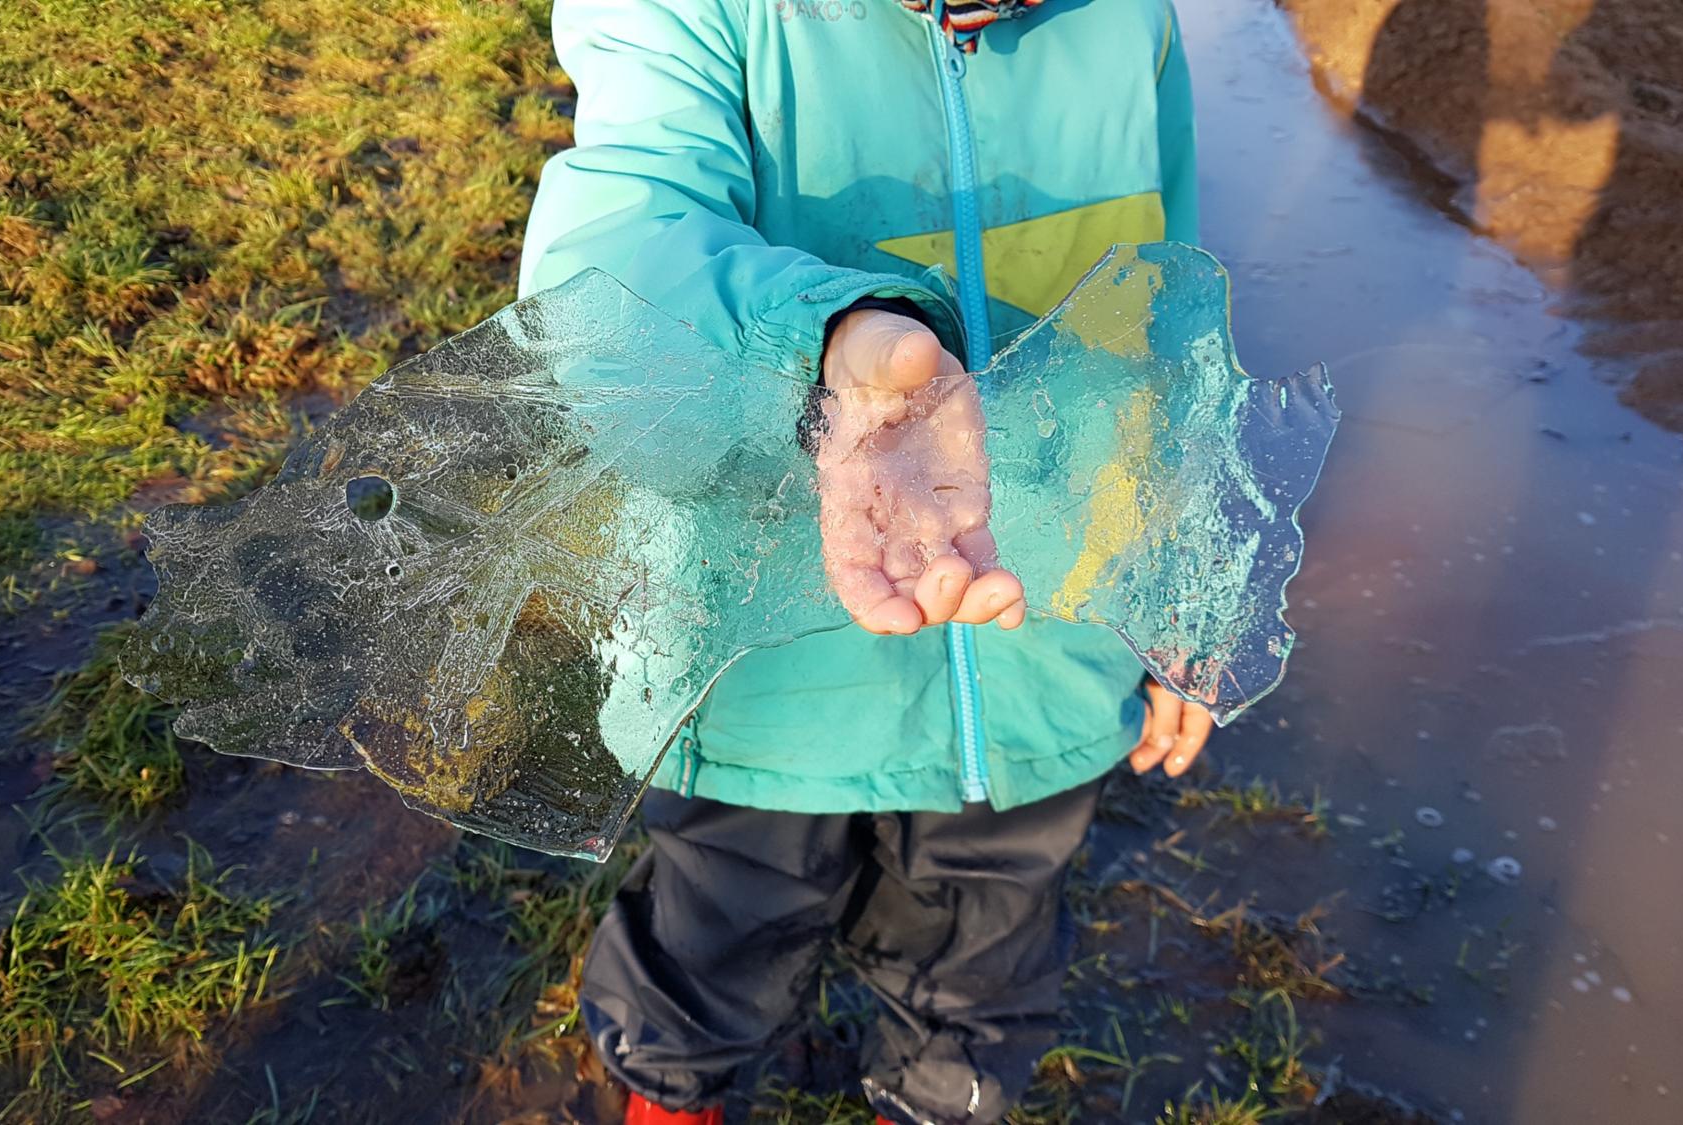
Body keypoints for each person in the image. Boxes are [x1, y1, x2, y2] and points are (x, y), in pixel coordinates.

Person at [518, 0, 1211, 1119]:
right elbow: (611, 254)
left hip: (1041, 652)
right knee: (713, 937)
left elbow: (1169, 314)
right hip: (757, 668)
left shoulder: (1130, 21)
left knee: (980, 979)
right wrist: (830, 342)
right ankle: (669, 1094)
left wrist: (1178, 581)